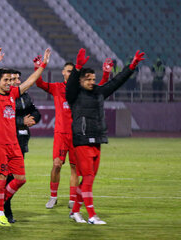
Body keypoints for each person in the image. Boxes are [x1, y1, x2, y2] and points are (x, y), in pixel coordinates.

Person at [66, 48, 144, 225]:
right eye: (88, 79)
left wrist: (131, 67)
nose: (92, 82)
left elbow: (117, 82)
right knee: (87, 178)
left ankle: (75, 211)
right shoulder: (74, 94)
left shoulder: (99, 92)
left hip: (98, 139)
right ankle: (92, 215)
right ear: (80, 80)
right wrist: (77, 67)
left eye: (94, 79)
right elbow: (70, 85)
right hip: (81, 140)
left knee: (89, 179)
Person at [0, 47, 51, 227]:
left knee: (21, 179)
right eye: (5, 80)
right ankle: (0, 213)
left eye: (9, 80)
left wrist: (43, 65)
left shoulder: (13, 94)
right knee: (1, 179)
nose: (8, 83)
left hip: (14, 144)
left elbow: (30, 81)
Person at [35, 56, 111, 210]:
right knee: (57, 164)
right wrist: (39, 67)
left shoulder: (81, 90)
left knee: (75, 168)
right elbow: (39, 83)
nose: (70, 73)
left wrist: (106, 74)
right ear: (63, 72)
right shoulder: (57, 87)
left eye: (73, 71)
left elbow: (100, 87)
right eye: (68, 71)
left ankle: (71, 198)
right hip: (61, 134)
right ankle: (53, 196)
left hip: (77, 134)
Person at [3, 69, 41, 223]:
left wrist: (34, 119)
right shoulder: (4, 96)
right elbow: (2, 118)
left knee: (15, 178)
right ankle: (5, 209)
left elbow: (35, 110)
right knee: (8, 178)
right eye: (14, 79)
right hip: (8, 141)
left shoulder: (24, 96)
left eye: (18, 78)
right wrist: (21, 121)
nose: (18, 81)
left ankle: (0, 205)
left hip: (22, 140)